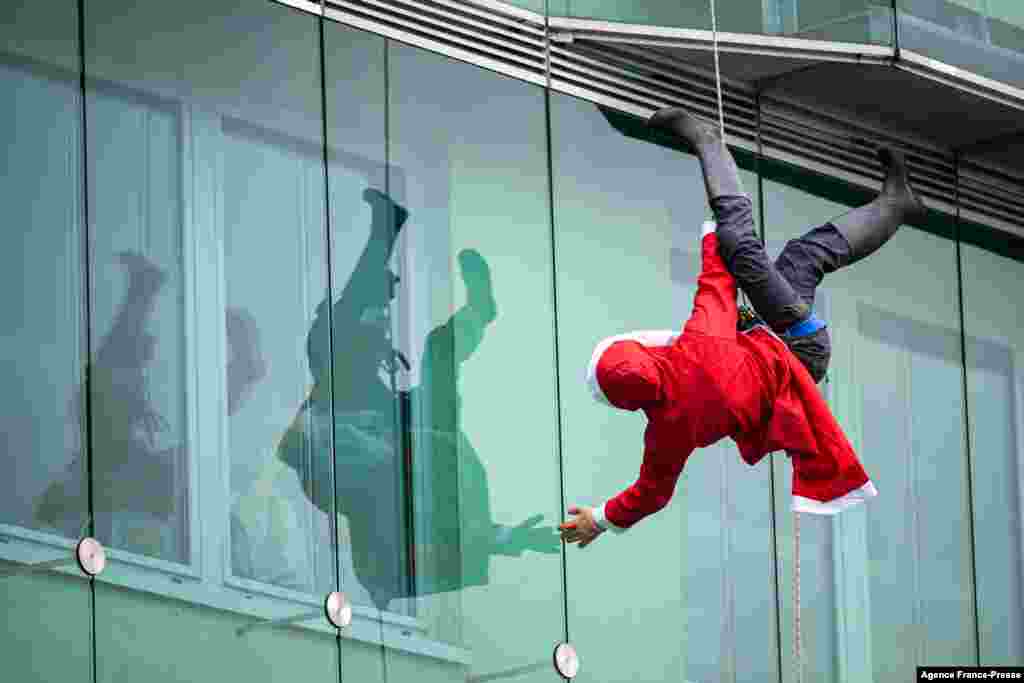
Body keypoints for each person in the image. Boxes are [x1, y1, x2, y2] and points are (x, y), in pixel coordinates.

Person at [559, 108, 908, 548]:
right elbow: (718, 278)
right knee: (740, 247)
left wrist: (602, 520)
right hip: (794, 348)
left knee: (804, 257)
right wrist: (712, 233)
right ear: (643, 351)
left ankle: (896, 203)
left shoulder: (667, 432)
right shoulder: (695, 348)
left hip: (780, 351)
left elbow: (652, 493)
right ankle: (708, 140)